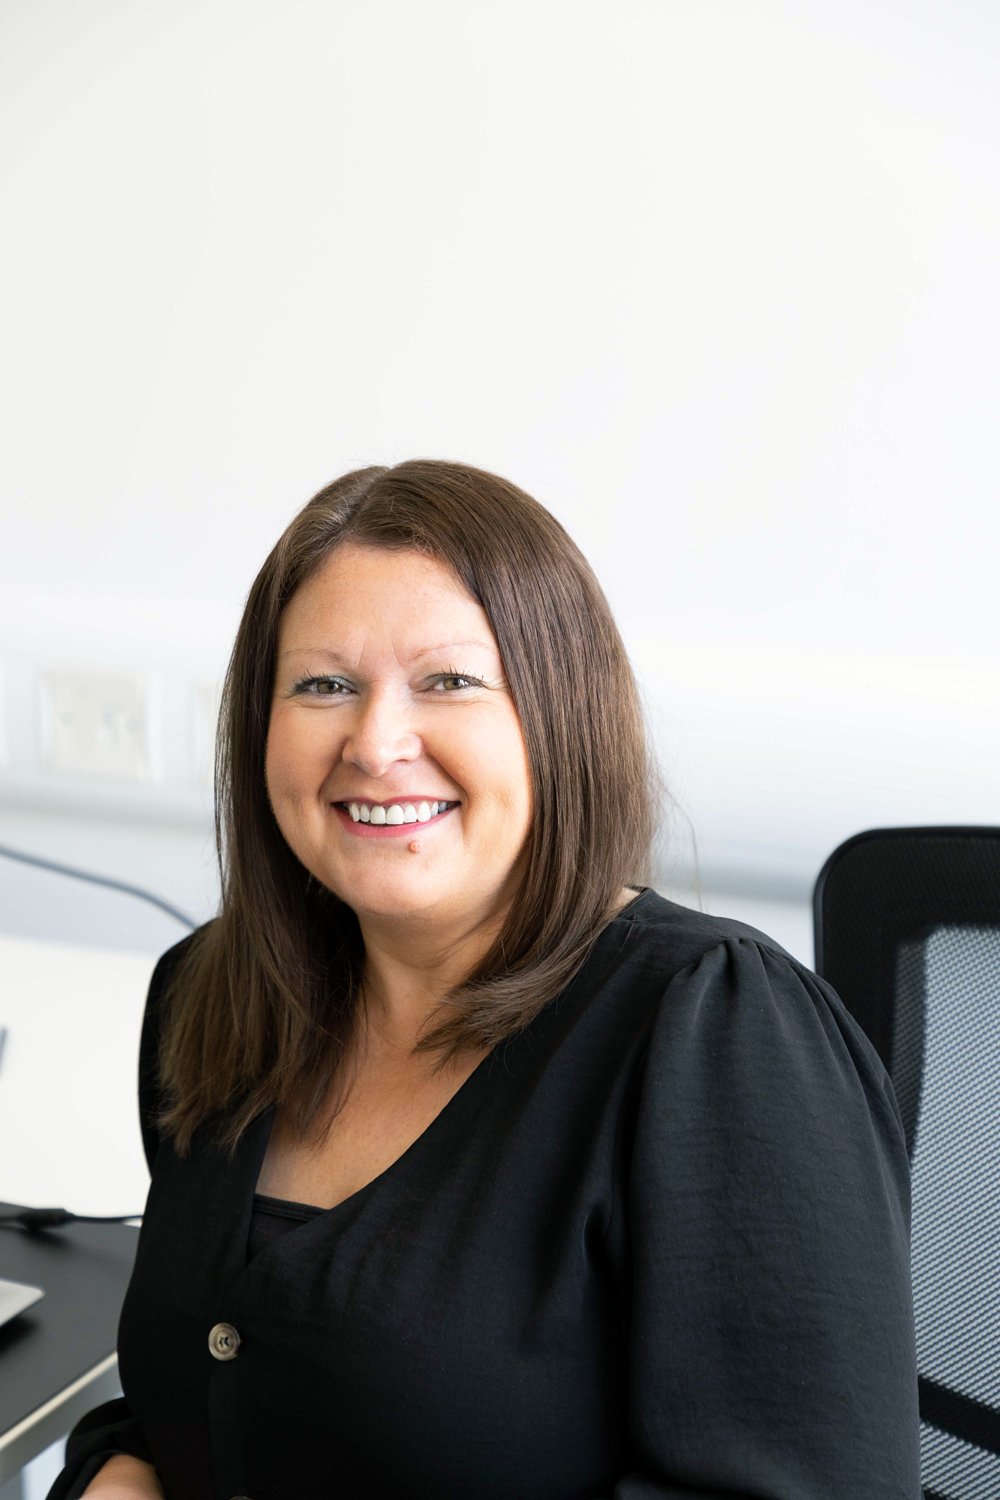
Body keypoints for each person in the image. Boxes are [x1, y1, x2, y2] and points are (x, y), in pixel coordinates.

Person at [50, 460, 921, 1499]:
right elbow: (207, 1385)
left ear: (559, 717)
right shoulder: (217, 996)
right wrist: (121, 1469)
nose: (375, 744)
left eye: (448, 682)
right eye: (323, 683)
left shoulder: (714, 1030)